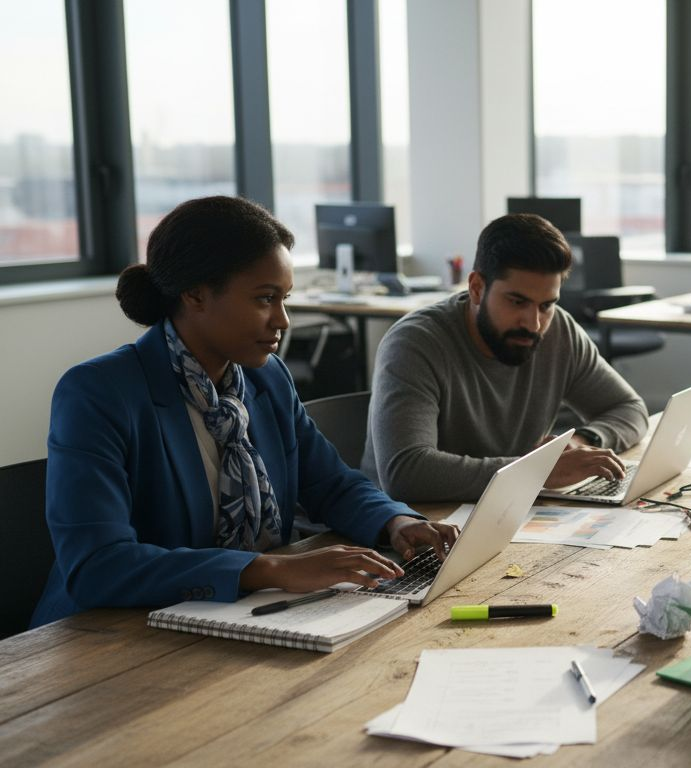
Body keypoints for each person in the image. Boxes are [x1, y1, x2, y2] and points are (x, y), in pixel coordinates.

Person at [31, 196, 458, 627]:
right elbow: (98, 566)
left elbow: (330, 482)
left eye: (284, 298)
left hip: (244, 617)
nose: (283, 320)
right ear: (195, 293)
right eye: (264, 299)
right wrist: (271, 569)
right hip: (110, 635)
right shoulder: (99, 393)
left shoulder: (265, 377)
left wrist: (395, 522)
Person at [362, 213, 649, 501]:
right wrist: (536, 472)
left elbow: (629, 408)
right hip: (409, 527)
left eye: (546, 305)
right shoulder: (415, 344)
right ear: (476, 288)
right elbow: (405, 474)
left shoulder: (559, 330)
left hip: (507, 509)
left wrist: (582, 441)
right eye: (517, 301)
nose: (534, 323)